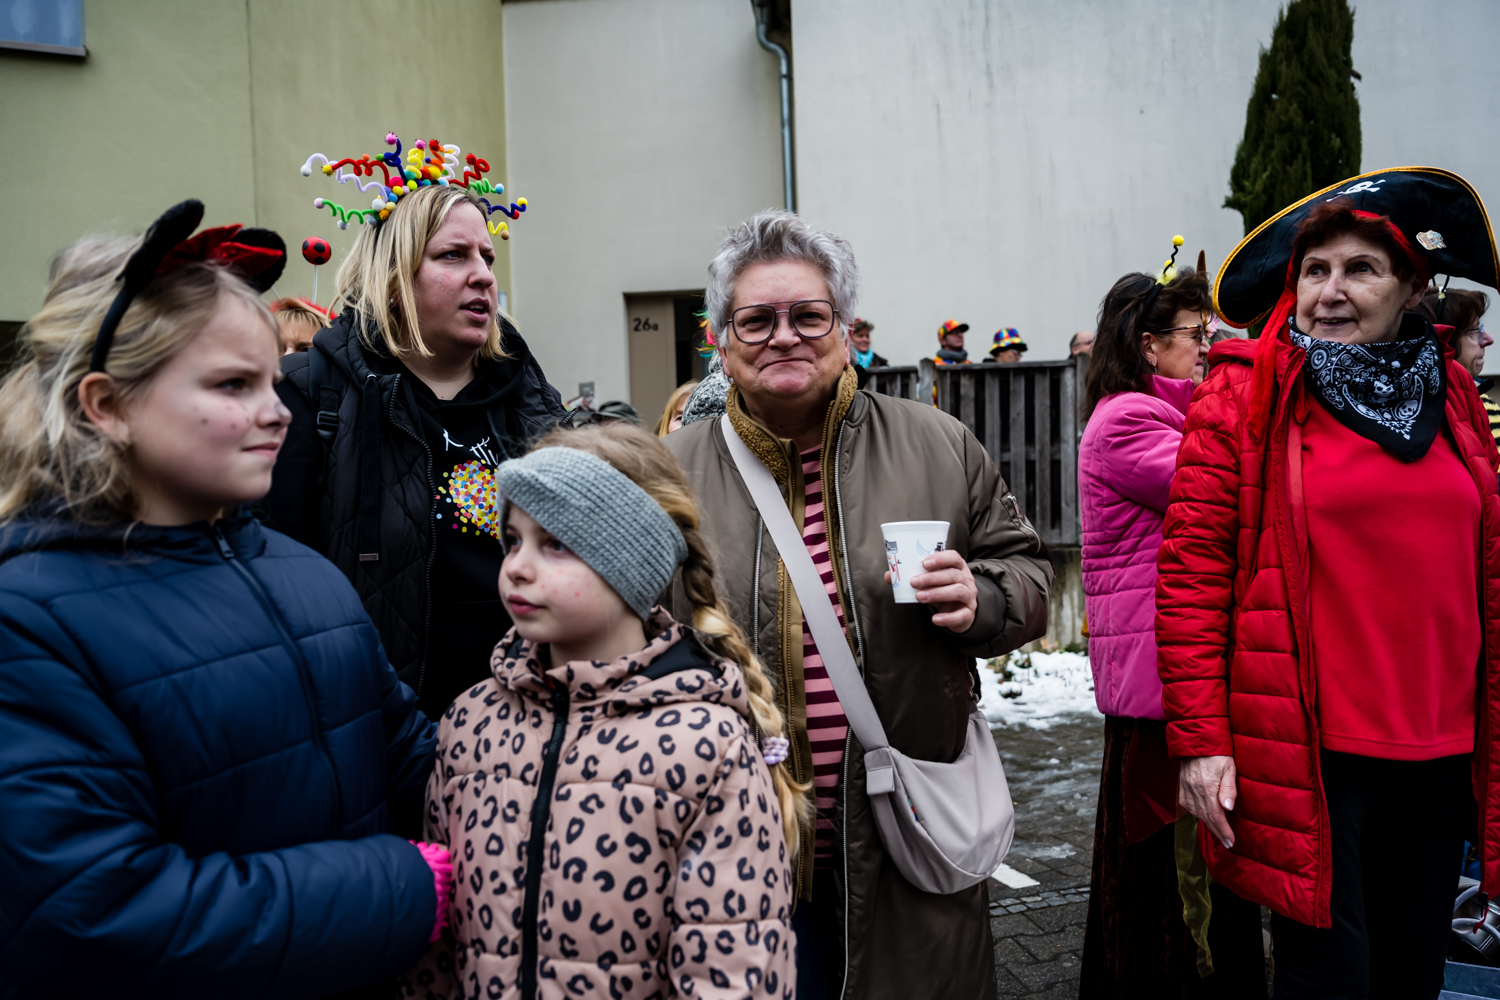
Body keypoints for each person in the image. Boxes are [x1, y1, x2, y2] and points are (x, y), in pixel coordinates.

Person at [0, 203, 448, 996]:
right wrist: (405, 886)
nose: (277, 411)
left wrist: (585, 753)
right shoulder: (27, 620)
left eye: (273, 381)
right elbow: (95, 914)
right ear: (107, 406)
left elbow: (415, 759)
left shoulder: (305, 576)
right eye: (233, 384)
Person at [665, 209, 1052, 1000]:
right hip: (737, 841)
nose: (785, 337)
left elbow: (1028, 575)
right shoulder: (670, 471)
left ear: (844, 329)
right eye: (757, 319)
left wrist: (982, 598)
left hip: (906, 828)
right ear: (721, 340)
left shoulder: (937, 443)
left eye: (808, 315)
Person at [1158, 169, 1500, 998]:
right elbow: (1193, 575)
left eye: (1360, 270)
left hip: (1439, 738)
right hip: (1309, 748)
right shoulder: (1244, 395)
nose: (1332, 291)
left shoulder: (1452, 393)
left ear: (1413, 287)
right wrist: (1202, 741)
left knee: (1416, 966)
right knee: (1329, 976)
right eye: (1315, 271)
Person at [408, 422, 804, 997]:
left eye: (556, 544)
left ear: (631, 561)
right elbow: (435, 950)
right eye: (513, 540)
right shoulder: (471, 723)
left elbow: (734, 969)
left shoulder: (703, 743)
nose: (516, 565)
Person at [264, 164, 566, 720]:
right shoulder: (313, 396)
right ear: (394, 275)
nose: (482, 276)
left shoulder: (535, 404)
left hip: (530, 728)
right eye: (454, 255)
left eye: (488, 258)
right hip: (381, 729)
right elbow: (278, 589)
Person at [1076, 260, 1263, 997]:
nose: (1208, 345)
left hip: (1166, 683)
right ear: (1149, 347)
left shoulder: (1160, 414)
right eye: (1196, 333)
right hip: (1161, 691)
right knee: (1175, 882)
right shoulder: (1129, 420)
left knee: (1164, 879)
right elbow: (1221, 486)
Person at [1416, 286, 1498, 449]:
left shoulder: (1486, 403)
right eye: (1475, 331)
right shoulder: (1418, 415)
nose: (1488, 340)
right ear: (1444, 338)